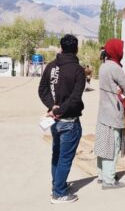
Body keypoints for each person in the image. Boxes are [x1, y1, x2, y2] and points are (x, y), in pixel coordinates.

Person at [38, 34, 86, 204]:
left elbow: (42, 90)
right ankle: (59, 193)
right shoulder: (78, 70)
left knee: (57, 155)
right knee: (64, 158)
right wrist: (58, 109)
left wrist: (52, 107)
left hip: (55, 121)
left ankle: (57, 185)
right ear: (76, 49)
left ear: (61, 48)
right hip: (69, 122)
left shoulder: (51, 66)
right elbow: (75, 98)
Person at [94, 39, 125, 189]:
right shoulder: (115, 68)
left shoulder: (103, 66)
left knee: (103, 144)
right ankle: (109, 181)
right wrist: (120, 91)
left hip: (103, 112)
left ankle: (102, 175)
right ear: (117, 51)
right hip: (113, 114)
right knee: (113, 146)